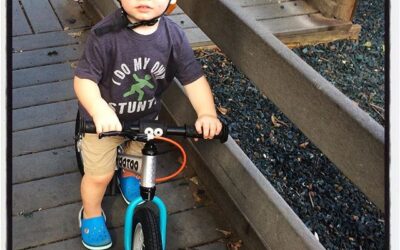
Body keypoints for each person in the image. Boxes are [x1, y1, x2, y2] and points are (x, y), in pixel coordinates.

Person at [74, 0, 222, 249]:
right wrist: (99, 110)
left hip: (145, 120)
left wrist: (207, 113)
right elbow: (84, 80)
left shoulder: (172, 36)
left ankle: (128, 175)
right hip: (104, 124)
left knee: (138, 161)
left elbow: (193, 78)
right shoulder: (104, 35)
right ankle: (91, 213)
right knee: (99, 176)